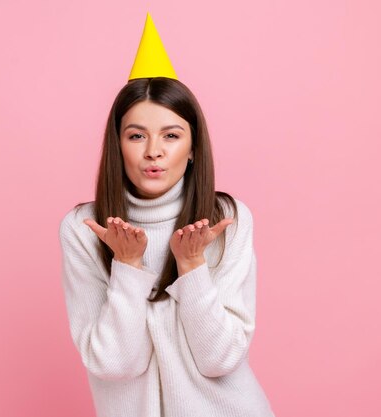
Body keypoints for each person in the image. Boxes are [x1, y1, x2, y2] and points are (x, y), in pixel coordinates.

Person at [59, 13, 276, 417]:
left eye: (171, 135)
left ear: (193, 148)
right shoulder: (85, 229)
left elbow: (220, 359)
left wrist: (192, 266)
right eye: (137, 135)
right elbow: (116, 365)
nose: (153, 151)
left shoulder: (226, 218)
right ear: (117, 143)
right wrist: (127, 265)